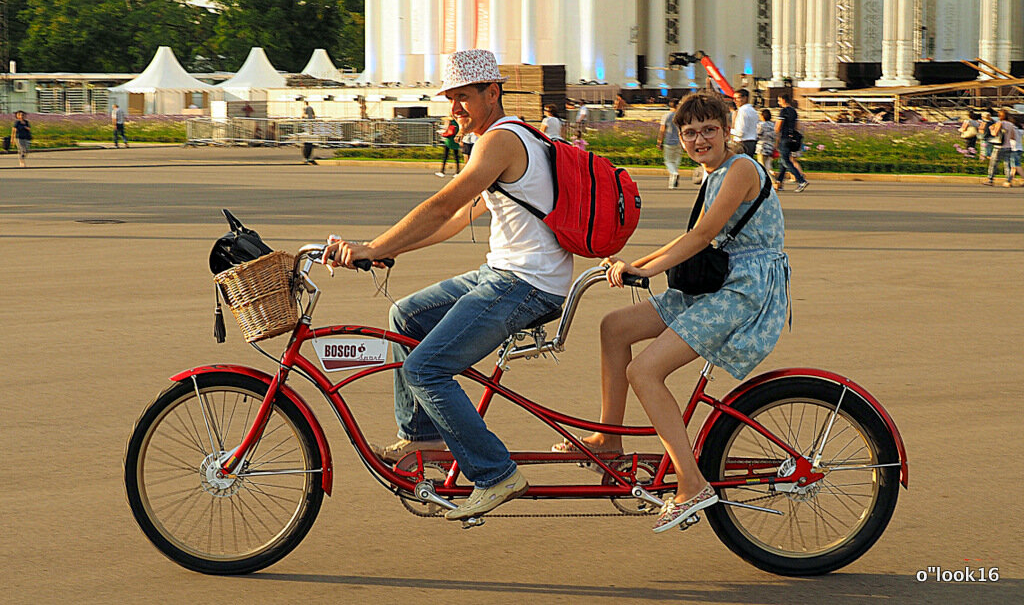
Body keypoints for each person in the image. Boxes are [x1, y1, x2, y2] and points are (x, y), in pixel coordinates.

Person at [323, 49, 570, 521]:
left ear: (492, 92)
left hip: (526, 283)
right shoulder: (513, 139)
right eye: (450, 98)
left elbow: (440, 205)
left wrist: (371, 247)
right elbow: (456, 220)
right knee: (406, 316)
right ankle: (426, 439)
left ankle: (496, 473)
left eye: (464, 98)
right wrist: (387, 249)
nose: (456, 108)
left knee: (425, 370)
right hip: (507, 273)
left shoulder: (499, 142)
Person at [554, 91, 789, 533]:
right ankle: (608, 439)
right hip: (718, 282)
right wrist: (636, 266)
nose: (700, 139)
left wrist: (643, 269)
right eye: (690, 133)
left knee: (644, 372)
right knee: (614, 326)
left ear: (726, 130)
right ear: (680, 138)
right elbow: (693, 239)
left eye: (709, 130)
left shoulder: (739, 169)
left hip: (743, 289)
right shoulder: (713, 174)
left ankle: (691, 483)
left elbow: (701, 236)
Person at [774, 95, 808, 192]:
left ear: (784, 100)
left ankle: (801, 180)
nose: (778, 102)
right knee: (783, 161)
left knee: (785, 161)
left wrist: (776, 138)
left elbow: (778, 126)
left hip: (784, 138)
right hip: (792, 138)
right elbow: (797, 126)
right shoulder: (794, 111)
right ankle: (779, 183)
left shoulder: (783, 111)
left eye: (779, 100)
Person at [985, 109, 1017, 187]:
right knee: (1007, 164)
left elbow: (995, 133)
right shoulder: (1011, 124)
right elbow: (1013, 137)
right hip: (1008, 146)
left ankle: (990, 179)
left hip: (999, 146)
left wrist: (991, 129)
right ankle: (1008, 181)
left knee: (993, 163)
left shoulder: (1000, 123)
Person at [657, 97, 682, 188]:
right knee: (676, 161)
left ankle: (674, 173)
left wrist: (659, 142)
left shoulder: (666, 116)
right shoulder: (681, 116)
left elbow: (662, 130)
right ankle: (672, 183)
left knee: (668, 161)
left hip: (668, 142)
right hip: (679, 142)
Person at [730, 88, 759, 157]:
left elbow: (740, 132)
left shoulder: (742, 111)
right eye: (734, 98)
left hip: (742, 143)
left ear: (745, 98)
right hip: (752, 141)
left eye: (738, 98)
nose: (735, 101)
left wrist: (729, 130)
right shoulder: (753, 111)